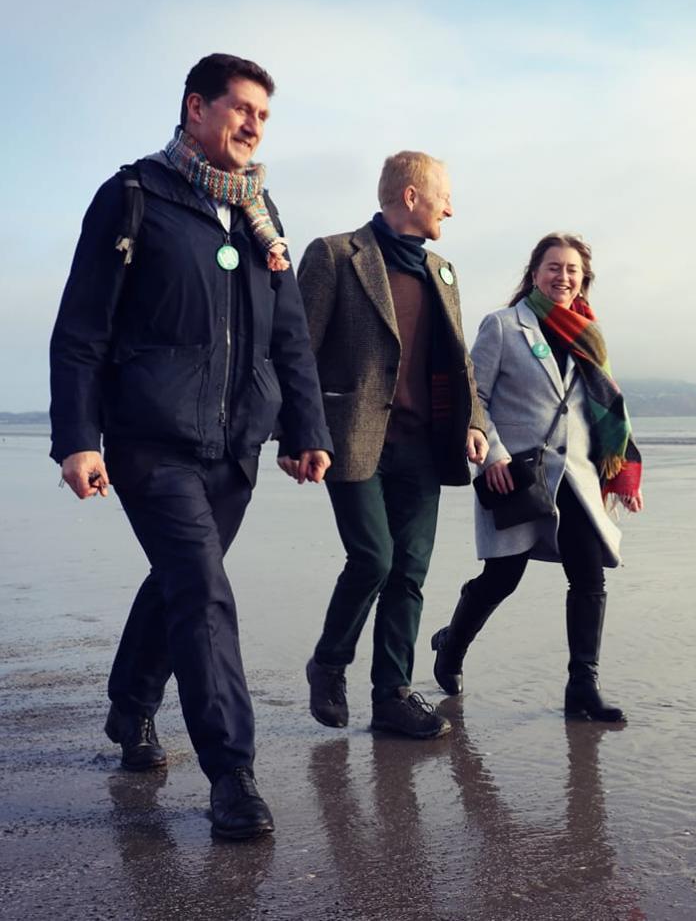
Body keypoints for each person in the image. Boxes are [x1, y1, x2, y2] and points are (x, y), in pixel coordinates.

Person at [49, 53, 333, 840]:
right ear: (195, 108)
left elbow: (289, 340)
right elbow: (80, 330)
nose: (253, 125)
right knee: (203, 590)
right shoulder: (134, 197)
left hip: (236, 444)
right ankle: (233, 776)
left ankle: (129, 709)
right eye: (241, 109)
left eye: (264, 116)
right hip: (150, 439)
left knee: (182, 582)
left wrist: (305, 430)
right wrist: (77, 439)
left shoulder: (260, 213)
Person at [286, 151, 488, 739]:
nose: (451, 206)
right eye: (444, 195)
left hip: (425, 446)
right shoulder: (334, 255)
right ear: (411, 196)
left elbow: (459, 363)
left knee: (410, 571)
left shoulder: (443, 271)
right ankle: (328, 662)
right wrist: (298, 433)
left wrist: (474, 421)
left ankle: (393, 695)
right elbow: (297, 350)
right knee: (373, 558)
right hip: (350, 440)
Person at [431, 233, 643, 721]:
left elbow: (601, 408)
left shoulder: (589, 334)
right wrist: (493, 457)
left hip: (578, 476)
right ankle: (453, 645)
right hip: (518, 474)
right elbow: (474, 399)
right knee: (503, 576)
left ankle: (582, 686)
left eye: (572, 270)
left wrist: (622, 472)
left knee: (588, 574)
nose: (562, 277)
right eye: (553, 267)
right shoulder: (504, 326)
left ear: (583, 279)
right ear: (534, 273)